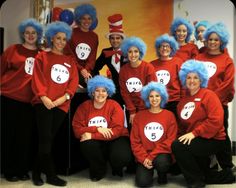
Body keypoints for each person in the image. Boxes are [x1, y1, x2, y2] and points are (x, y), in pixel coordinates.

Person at [171, 60, 235, 188]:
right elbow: (183, 129)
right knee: (202, 171)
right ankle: (229, 176)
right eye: (188, 77)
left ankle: (196, 183)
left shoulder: (209, 95)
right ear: (184, 79)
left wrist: (194, 133)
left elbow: (216, 120)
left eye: (196, 77)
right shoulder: (182, 102)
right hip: (197, 140)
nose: (192, 80)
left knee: (178, 146)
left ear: (201, 79)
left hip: (215, 140)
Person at [31, 21, 79, 186]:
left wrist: (63, 98)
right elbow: (37, 78)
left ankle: (36, 171)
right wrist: (44, 97)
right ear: (52, 38)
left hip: (61, 105)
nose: (61, 42)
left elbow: (73, 82)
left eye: (64, 39)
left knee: (48, 139)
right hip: (43, 103)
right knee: (45, 139)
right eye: (58, 38)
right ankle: (50, 175)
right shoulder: (42, 56)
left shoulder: (70, 60)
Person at [0, 18, 43, 182]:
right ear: (23, 34)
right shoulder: (12, 50)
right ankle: (8, 169)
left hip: (30, 102)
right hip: (9, 98)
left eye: (34, 33)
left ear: (38, 35)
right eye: (27, 33)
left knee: (24, 137)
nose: (30, 36)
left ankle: (22, 168)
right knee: (7, 135)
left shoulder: (42, 54)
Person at [72, 75, 132, 182]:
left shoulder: (114, 105)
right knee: (87, 143)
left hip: (116, 138)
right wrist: (97, 128)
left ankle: (116, 166)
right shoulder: (84, 107)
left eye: (104, 91)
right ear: (92, 92)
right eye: (97, 90)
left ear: (108, 92)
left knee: (121, 157)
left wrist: (92, 134)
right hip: (98, 141)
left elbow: (117, 131)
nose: (100, 94)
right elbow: (77, 130)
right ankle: (99, 168)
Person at [195, 22, 235, 172]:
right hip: (200, 105)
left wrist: (211, 101)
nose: (212, 42)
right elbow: (192, 80)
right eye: (210, 39)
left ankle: (227, 166)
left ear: (221, 41)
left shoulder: (227, 60)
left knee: (221, 134)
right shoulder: (198, 58)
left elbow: (227, 84)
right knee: (203, 133)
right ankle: (208, 165)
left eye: (216, 40)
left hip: (219, 105)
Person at [130, 82, 178, 187]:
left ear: (162, 97)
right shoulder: (139, 116)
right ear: (147, 98)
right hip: (144, 155)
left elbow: (170, 140)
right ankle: (149, 170)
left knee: (162, 163)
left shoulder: (169, 115)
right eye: (151, 96)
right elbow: (135, 141)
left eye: (157, 96)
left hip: (162, 154)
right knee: (143, 183)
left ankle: (162, 174)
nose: (154, 99)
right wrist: (143, 158)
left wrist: (151, 156)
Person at [119, 36, 156, 127]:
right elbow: (124, 92)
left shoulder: (148, 67)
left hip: (147, 106)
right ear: (126, 53)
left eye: (136, 51)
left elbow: (151, 90)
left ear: (140, 52)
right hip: (131, 108)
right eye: (130, 51)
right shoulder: (123, 70)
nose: (133, 54)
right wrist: (132, 111)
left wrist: (141, 110)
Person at [93, 13, 127, 107]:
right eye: (112, 38)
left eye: (117, 38)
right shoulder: (105, 52)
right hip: (115, 92)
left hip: (129, 90)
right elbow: (95, 68)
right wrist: (101, 82)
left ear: (122, 39)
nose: (115, 40)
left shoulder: (129, 52)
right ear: (109, 40)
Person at [64, 3, 98, 88]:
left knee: (95, 85)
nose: (86, 21)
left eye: (89, 18)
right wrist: (81, 69)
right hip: (73, 68)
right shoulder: (71, 33)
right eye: (84, 18)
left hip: (87, 70)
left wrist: (86, 70)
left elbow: (92, 58)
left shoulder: (94, 36)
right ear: (79, 19)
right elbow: (69, 55)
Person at [150, 33, 183, 117]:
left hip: (175, 101)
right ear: (158, 49)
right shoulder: (151, 64)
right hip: (158, 102)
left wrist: (182, 100)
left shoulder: (178, 62)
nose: (164, 48)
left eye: (167, 46)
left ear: (171, 48)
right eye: (162, 46)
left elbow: (183, 83)